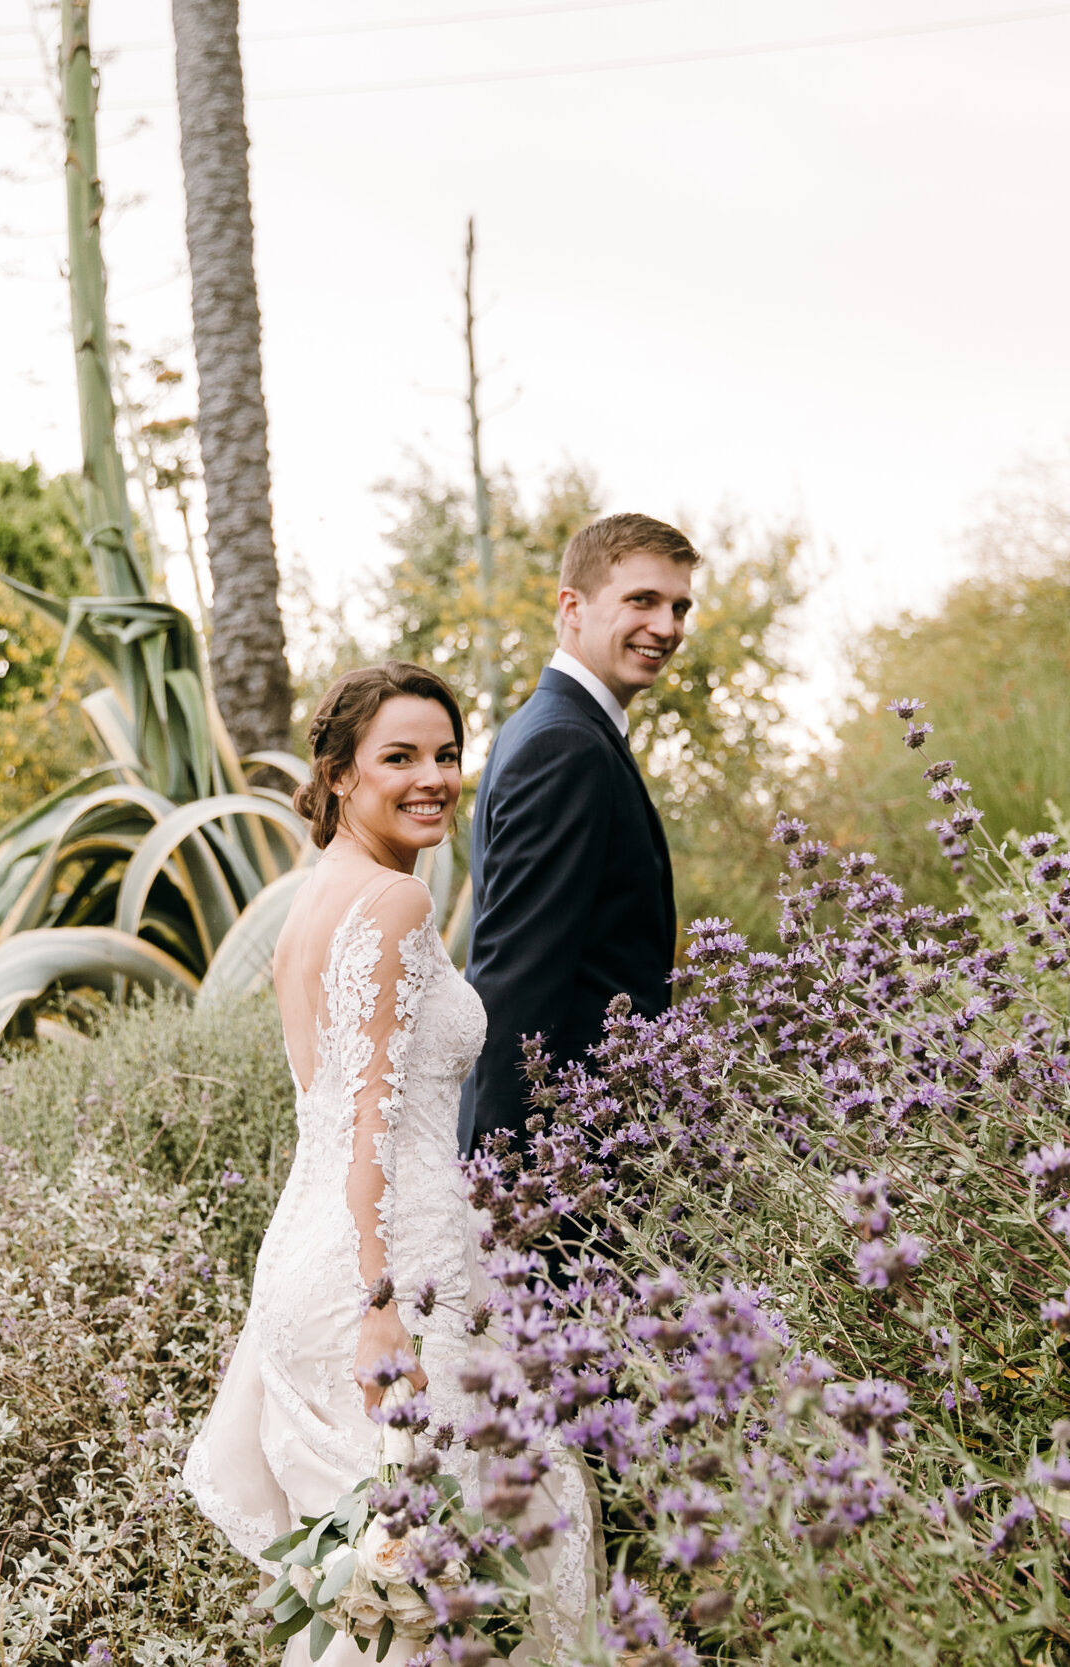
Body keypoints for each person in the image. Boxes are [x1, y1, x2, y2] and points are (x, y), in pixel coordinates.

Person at [182, 662, 600, 1664]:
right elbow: (364, 1113)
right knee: (438, 1579)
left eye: (447, 755)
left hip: (312, 1256)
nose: (433, 777)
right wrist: (381, 1302)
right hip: (384, 1275)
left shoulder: (309, 903)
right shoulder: (397, 908)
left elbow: (326, 1109)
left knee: (383, 1591)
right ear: (337, 777)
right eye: (399, 756)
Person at [459, 513, 698, 1159]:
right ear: (573, 606)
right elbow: (517, 972)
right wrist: (505, 1170)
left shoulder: (544, 727)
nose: (668, 626)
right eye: (641, 600)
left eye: (679, 606)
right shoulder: (566, 745)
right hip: (567, 1165)